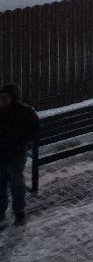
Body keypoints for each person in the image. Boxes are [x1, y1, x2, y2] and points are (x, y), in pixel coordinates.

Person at [0, 83, 39, 228]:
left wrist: (20, 141)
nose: (2, 101)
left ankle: (19, 212)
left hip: (15, 154)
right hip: (4, 154)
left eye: (5, 98)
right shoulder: (24, 112)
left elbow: (34, 130)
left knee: (15, 182)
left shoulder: (23, 113)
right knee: (2, 184)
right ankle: (2, 213)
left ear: (13, 98)